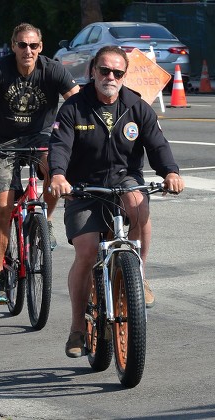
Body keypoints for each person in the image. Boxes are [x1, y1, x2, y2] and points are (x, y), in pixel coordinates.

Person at [48, 45, 185, 358]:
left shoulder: (136, 106)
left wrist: (171, 173)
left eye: (117, 72)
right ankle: (77, 329)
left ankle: (139, 275)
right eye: (104, 70)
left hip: (123, 179)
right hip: (82, 187)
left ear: (124, 76)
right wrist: (58, 175)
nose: (110, 77)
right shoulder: (73, 107)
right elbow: (60, 146)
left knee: (139, 201)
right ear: (92, 71)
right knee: (85, 252)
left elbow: (158, 145)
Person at [0, 23, 79, 304]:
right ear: (13, 46)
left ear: (40, 47)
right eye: (22, 45)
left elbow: (79, 102)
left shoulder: (52, 69)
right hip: (1, 144)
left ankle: (47, 221)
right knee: (4, 206)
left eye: (33, 45)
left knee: (56, 171)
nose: (27, 50)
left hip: (41, 138)